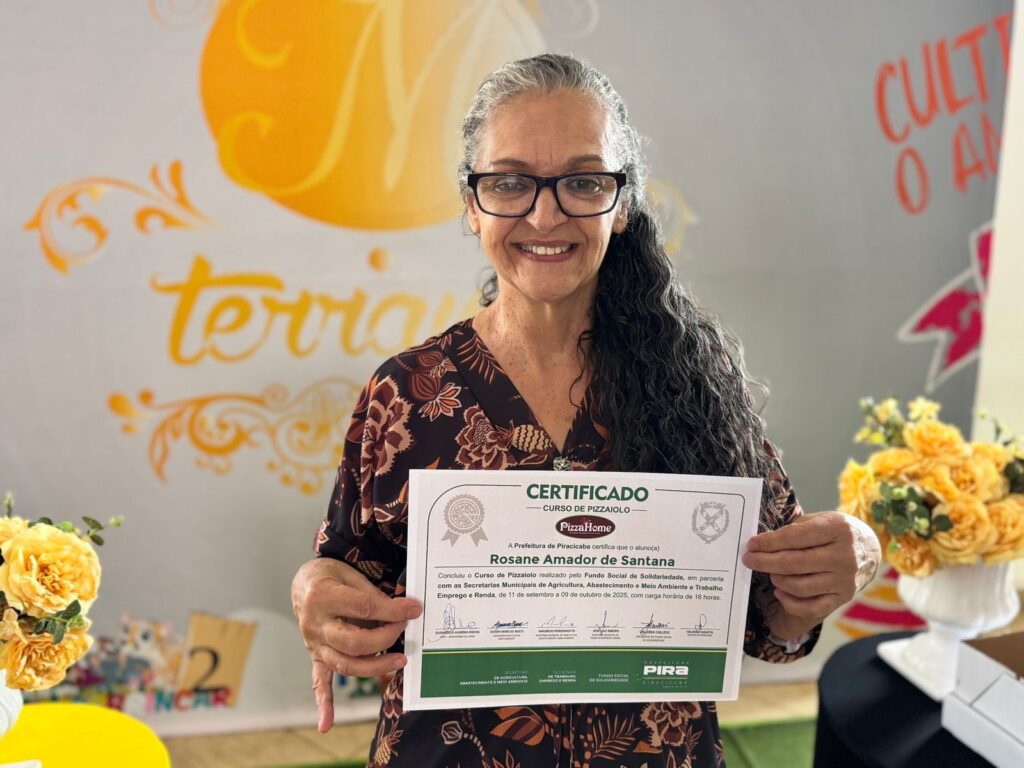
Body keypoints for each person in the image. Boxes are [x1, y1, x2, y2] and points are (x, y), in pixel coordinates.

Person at [292, 53, 880, 767]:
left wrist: (840, 562)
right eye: (509, 182)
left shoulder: (696, 380)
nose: (546, 213)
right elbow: (348, 572)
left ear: (621, 202)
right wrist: (317, 592)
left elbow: (770, 618)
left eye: (582, 181)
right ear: (471, 204)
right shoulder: (407, 393)